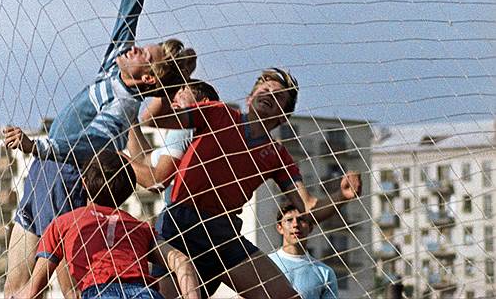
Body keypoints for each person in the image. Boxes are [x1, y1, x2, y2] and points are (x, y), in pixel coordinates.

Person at [2, 0, 197, 298]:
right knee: (15, 289)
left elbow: (86, 145)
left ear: (147, 81)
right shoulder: (114, 66)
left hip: (63, 184)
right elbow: (128, 13)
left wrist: (34, 147)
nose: (137, 49)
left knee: (59, 284)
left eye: (146, 55)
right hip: (40, 179)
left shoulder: (122, 108)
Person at [141, 69, 362, 299]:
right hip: (181, 225)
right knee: (159, 297)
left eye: (278, 96)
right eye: (263, 90)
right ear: (249, 99)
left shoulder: (278, 154)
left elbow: (307, 207)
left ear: (284, 116)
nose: (268, 95)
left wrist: (342, 196)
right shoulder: (219, 113)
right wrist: (167, 86)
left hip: (222, 232)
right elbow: (152, 118)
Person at [12, 149, 200, 299]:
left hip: (99, 292)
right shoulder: (140, 227)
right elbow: (182, 262)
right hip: (144, 293)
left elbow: (32, 292)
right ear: (128, 190)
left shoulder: (63, 223)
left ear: (83, 183)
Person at [126, 80, 219, 194]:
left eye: (181, 93)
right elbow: (143, 160)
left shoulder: (185, 129)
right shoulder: (212, 131)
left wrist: (116, 158)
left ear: (205, 102)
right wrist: (129, 117)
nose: (173, 98)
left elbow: (156, 182)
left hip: (184, 209)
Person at [268, 203, 338, 299]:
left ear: (310, 228)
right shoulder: (265, 264)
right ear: (280, 228)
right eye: (289, 220)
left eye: (301, 219)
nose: (295, 224)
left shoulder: (325, 273)